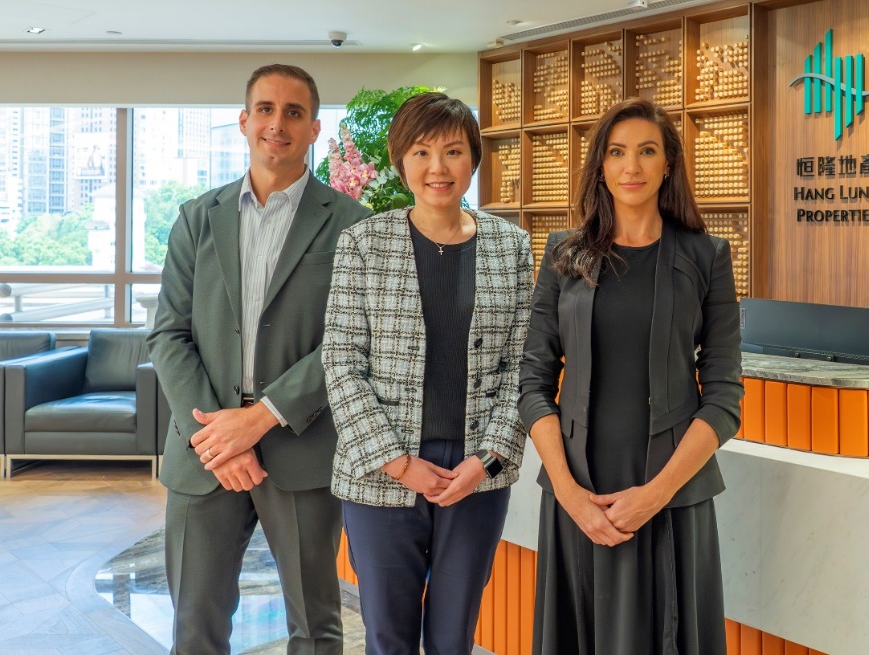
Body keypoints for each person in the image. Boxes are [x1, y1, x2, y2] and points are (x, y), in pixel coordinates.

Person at [148, 64, 371, 654]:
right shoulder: (197, 217)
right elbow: (168, 335)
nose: (278, 123)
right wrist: (217, 435)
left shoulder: (353, 225)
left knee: (316, 628)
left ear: (315, 128)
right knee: (195, 626)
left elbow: (351, 339)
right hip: (206, 452)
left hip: (303, 448)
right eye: (266, 110)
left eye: (294, 112)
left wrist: (263, 415)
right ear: (244, 121)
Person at [518, 97, 743, 654]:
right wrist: (569, 494)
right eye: (617, 152)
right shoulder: (563, 255)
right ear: (600, 165)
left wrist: (655, 494)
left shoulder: (706, 256)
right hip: (578, 492)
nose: (632, 167)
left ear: (669, 164)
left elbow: (723, 397)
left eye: (647, 151)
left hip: (671, 494)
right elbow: (532, 383)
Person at [323, 91, 533, 655]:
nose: (437, 167)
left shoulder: (510, 246)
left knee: (454, 635)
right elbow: (341, 362)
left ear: (473, 160)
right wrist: (398, 462)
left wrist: (486, 459)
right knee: (388, 636)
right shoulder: (363, 242)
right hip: (382, 474)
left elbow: (523, 367)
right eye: (421, 152)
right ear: (401, 161)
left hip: (474, 473)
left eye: (453, 151)